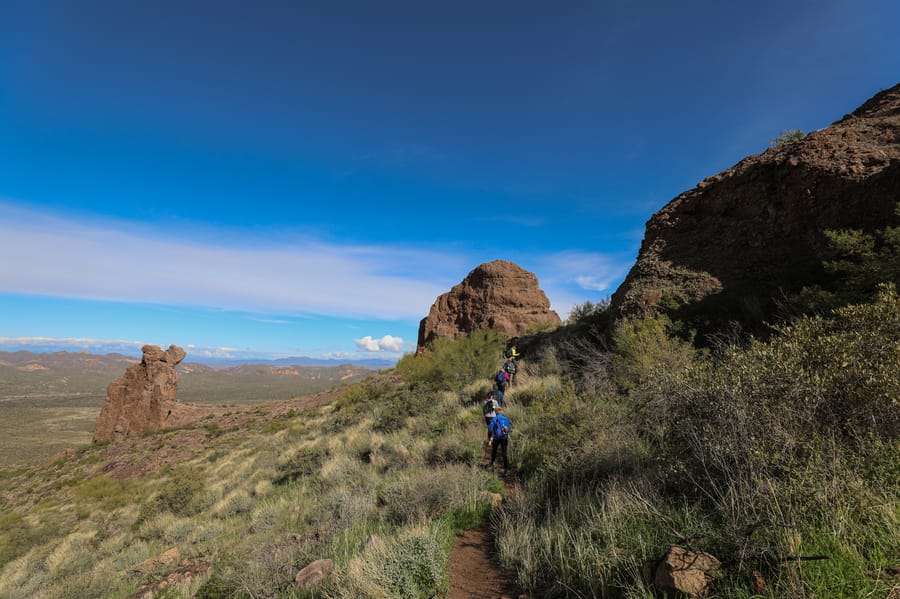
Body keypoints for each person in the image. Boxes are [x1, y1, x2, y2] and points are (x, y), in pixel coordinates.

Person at [489, 406, 511, 474]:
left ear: (495, 412)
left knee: (494, 451)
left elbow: (490, 429)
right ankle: (506, 469)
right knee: (504, 453)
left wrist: (490, 438)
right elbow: (509, 429)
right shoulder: (506, 419)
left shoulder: (494, 419)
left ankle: (492, 465)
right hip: (504, 437)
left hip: (496, 438)